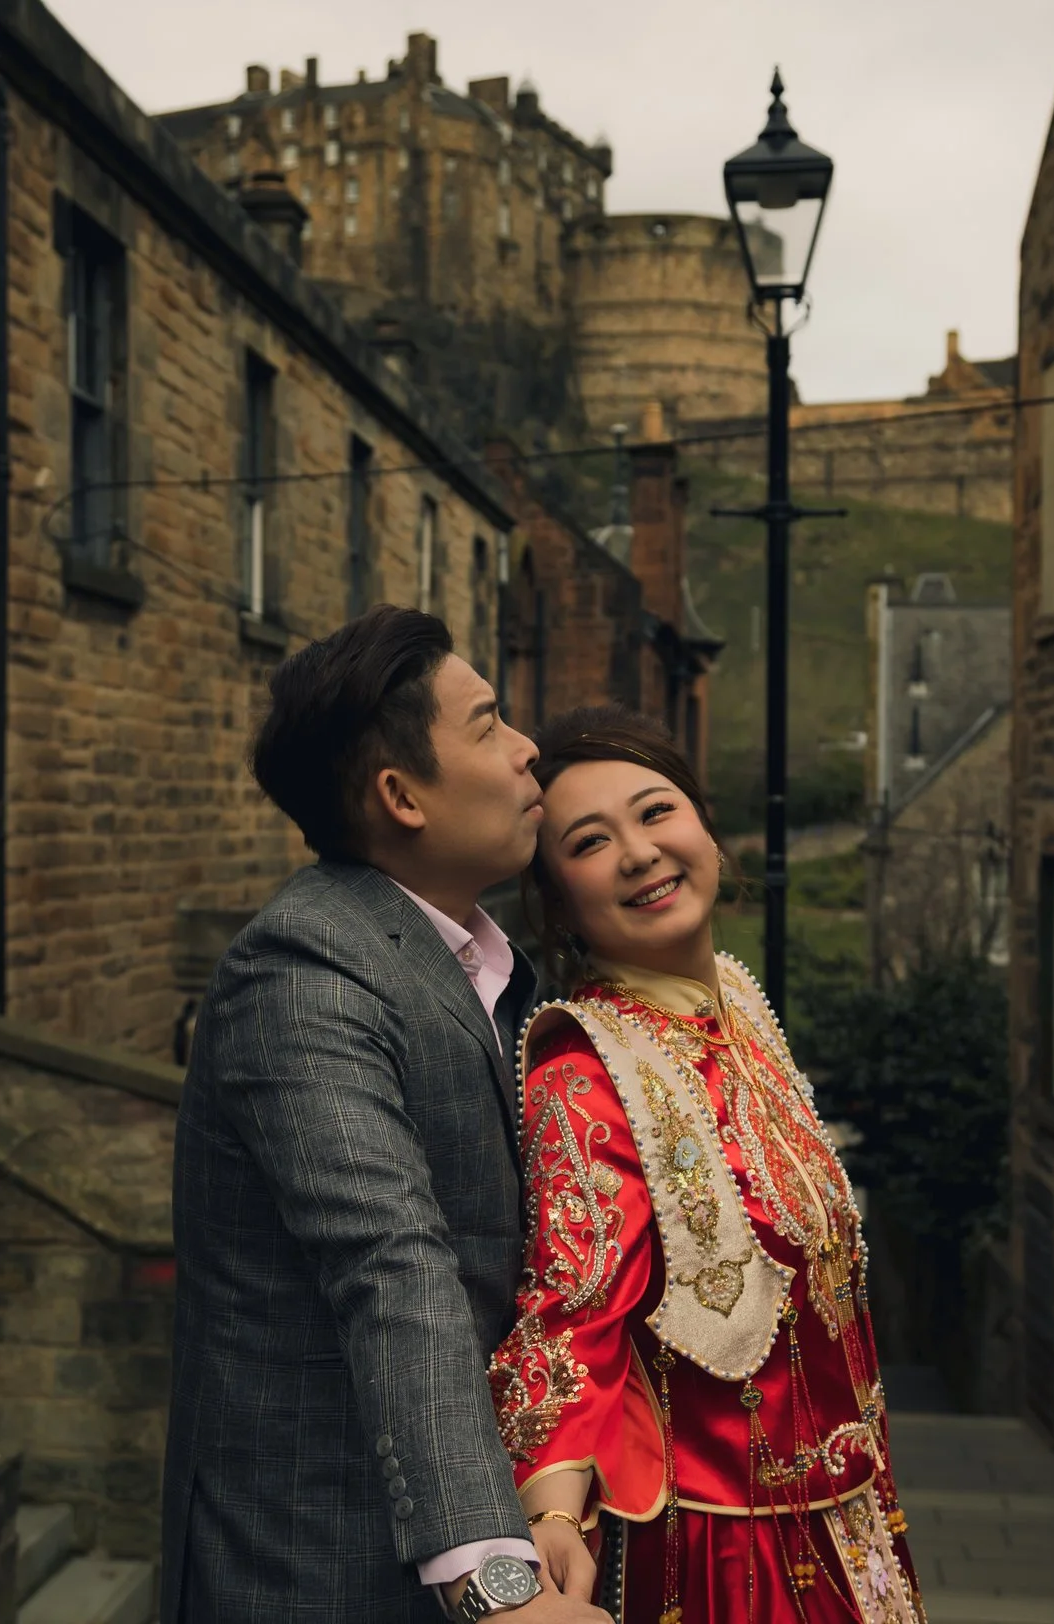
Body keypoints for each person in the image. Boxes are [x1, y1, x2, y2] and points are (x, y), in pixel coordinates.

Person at [162, 606, 613, 1624]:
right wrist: (497, 1582)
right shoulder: (301, 971)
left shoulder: (489, 967)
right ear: (401, 795)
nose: (526, 747)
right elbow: (393, 1265)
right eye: (490, 723)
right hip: (321, 1573)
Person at [492, 706, 927, 1624]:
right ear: (559, 902)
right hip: (726, 1553)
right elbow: (572, 1315)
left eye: (657, 813)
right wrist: (552, 1509)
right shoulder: (584, 1071)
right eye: (590, 841)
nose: (641, 853)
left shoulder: (737, 1005)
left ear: (707, 829)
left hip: (855, 1525)